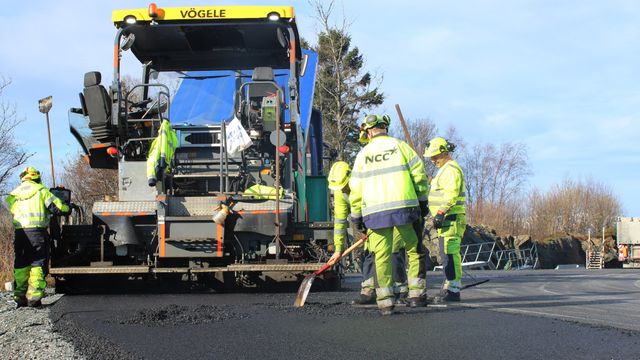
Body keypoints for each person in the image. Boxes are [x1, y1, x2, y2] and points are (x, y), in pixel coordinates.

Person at [349, 114, 429, 315]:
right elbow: (419, 175)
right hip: (406, 209)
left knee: (381, 256)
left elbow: (355, 190)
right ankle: (416, 296)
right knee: (414, 250)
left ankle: (385, 302)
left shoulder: (362, 156)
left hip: (375, 214)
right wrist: (422, 200)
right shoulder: (401, 147)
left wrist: (356, 216)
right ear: (385, 128)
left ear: (368, 132)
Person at [326, 161, 409, 306]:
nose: (343, 189)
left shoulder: (367, 183)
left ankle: (400, 290)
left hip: (388, 218)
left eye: (345, 186)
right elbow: (339, 222)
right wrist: (338, 249)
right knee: (370, 253)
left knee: (394, 250)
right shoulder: (340, 193)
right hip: (367, 224)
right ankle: (368, 291)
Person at [6, 167, 69, 308]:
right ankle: (33, 298)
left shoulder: (14, 194)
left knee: (21, 264)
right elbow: (59, 209)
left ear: (24, 178)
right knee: (38, 263)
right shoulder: (41, 191)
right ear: (37, 178)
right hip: (37, 234)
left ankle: (19, 296)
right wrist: (66, 205)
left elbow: (14, 209)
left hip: (20, 233)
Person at [423, 137, 466, 302]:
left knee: (450, 252)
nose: (433, 160)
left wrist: (441, 212)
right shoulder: (444, 170)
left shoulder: (451, 170)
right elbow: (441, 188)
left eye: (435, 156)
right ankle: (450, 286)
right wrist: (430, 181)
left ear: (445, 153)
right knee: (445, 253)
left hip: (451, 218)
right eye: (431, 157)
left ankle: (453, 290)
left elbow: (451, 193)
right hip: (446, 220)